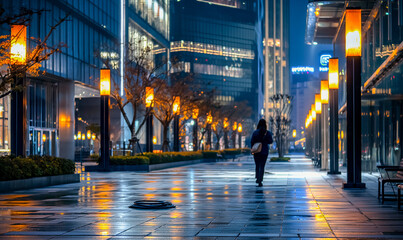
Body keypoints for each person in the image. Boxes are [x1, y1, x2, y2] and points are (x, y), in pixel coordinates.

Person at [251, 119, 273, 187]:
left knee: (257, 165)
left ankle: (257, 177)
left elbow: (252, 141)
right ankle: (260, 179)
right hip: (264, 151)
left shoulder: (255, 132)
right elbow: (271, 141)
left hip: (257, 151)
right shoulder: (267, 133)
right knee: (262, 166)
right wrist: (265, 142)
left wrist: (253, 148)